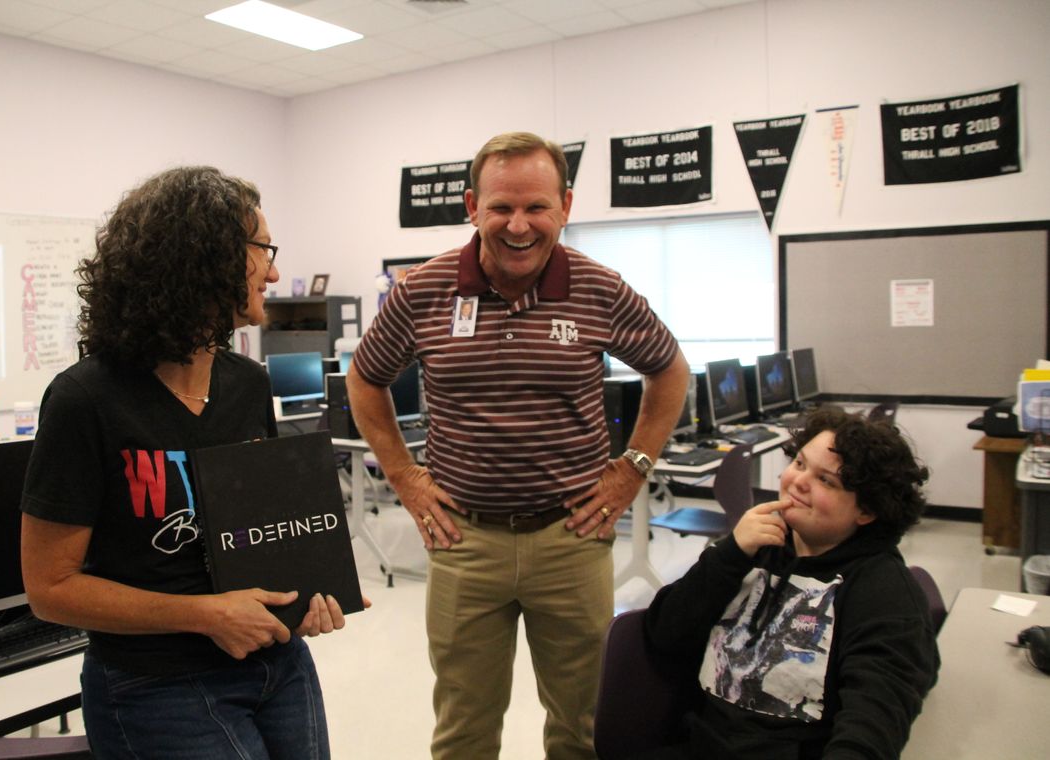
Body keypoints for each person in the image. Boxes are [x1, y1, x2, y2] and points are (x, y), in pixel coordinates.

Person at [348, 132, 690, 759]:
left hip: (572, 540)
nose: (519, 225)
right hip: (463, 541)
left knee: (583, 725)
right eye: (502, 207)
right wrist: (403, 476)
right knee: (464, 729)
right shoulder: (422, 291)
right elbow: (365, 379)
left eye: (536, 207)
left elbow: (670, 371)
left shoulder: (598, 287)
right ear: (472, 205)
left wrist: (630, 471)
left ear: (564, 204)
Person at [20, 166, 363, 760]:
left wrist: (307, 592)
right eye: (263, 250)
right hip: (156, 685)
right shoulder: (86, 400)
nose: (275, 272)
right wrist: (204, 615)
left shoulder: (249, 386)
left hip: (278, 663)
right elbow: (50, 589)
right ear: (203, 258)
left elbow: (262, 534)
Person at [640, 407, 940, 759]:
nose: (798, 481)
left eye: (826, 480)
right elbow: (665, 634)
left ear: (867, 510)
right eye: (799, 463)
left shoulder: (882, 590)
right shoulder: (754, 549)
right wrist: (729, 555)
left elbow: (872, 723)